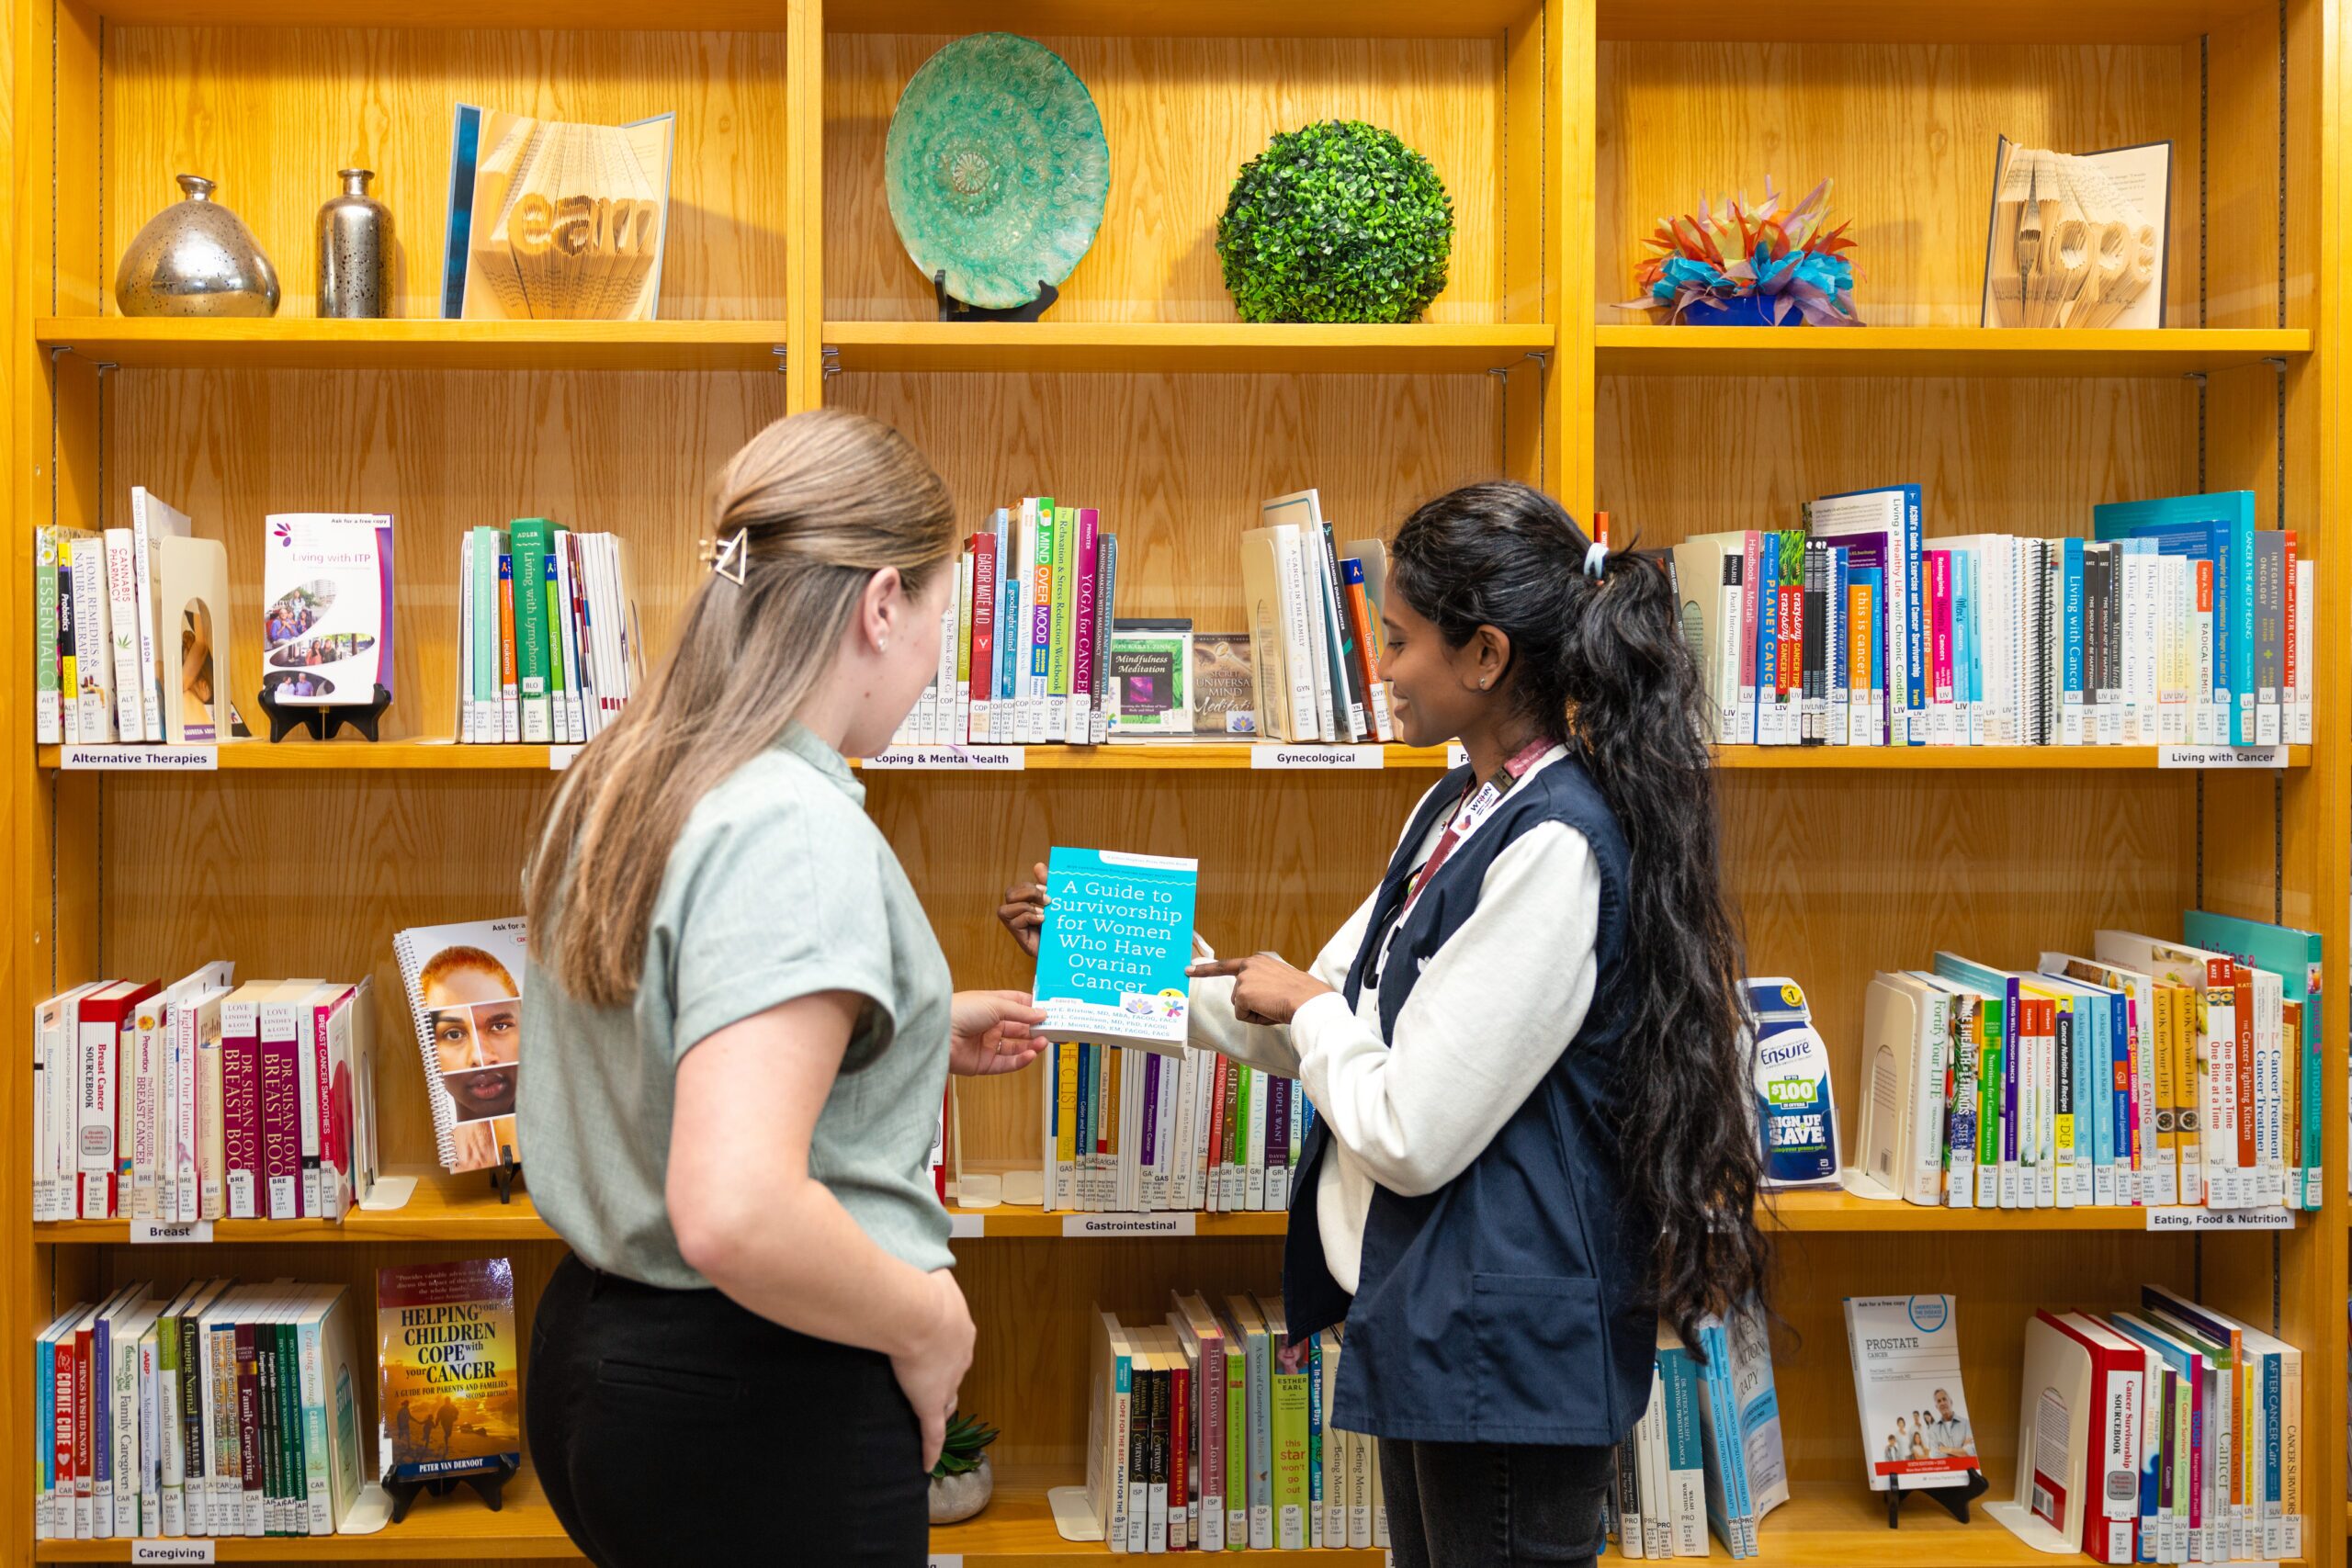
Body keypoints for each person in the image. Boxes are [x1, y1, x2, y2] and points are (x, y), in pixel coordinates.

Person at [1000, 480, 1768, 1568]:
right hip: (1442, 1324)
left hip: (1507, 1351)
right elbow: (1319, 1008)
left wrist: (1310, 1010)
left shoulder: (1553, 845)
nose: (1382, 670)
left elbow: (1404, 1126)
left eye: (1399, 641)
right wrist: (1104, 970)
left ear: (1486, 656)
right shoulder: (1461, 804)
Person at [518, 409, 1045, 1568]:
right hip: (758, 1390)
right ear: (881, 605)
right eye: (940, 625)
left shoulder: (636, 769)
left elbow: (662, 1023)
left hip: (599, 1353)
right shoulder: (793, 826)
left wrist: (901, 1030)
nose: (934, 665)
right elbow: (736, 1208)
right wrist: (929, 1325)